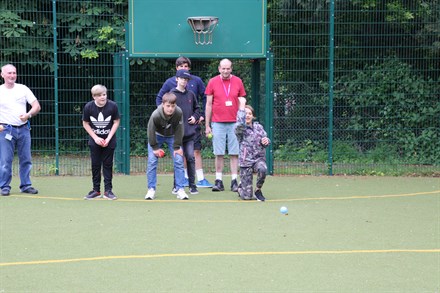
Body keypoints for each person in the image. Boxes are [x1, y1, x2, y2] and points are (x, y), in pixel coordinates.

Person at [156, 56, 213, 188]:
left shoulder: (196, 81)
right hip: (176, 128)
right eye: (181, 66)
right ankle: (184, 179)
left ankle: (201, 179)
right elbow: (160, 99)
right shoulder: (170, 83)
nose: (184, 69)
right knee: (180, 154)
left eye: (186, 66)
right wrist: (165, 116)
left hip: (192, 126)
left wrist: (201, 115)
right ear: (177, 70)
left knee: (195, 152)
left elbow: (205, 98)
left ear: (189, 68)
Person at [205, 59, 246, 192]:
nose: (225, 71)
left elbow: (242, 102)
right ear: (219, 69)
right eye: (223, 68)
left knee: (235, 153)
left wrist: (242, 122)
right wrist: (207, 125)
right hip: (217, 122)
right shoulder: (212, 82)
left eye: (228, 68)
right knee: (219, 153)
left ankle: (234, 181)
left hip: (235, 123)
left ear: (231, 69)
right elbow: (209, 105)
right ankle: (218, 180)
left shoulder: (238, 81)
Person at [0, 64, 41, 196]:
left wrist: (28, 115)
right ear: (2, 75)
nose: (12, 75)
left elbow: (36, 106)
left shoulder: (23, 89)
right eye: (9, 73)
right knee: (6, 160)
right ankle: (4, 186)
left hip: (23, 130)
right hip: (5, 130)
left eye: (14, 73)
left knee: (26, 159)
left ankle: (26, 185)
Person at [145, 92, 189, 200]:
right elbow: (150, 131)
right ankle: (151, 189)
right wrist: (155, 148)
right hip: (156, 136)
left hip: (172, 136)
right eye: (168, 106)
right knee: (152, 161)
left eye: (173, 106)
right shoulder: (156, 115)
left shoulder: (178, 112)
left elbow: (180, 129)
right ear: (163, 104)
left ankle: (180, 189)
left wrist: (177, 146)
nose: (170, 109)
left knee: (179, 160)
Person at [82, 84, 120, 200]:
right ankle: (96, 190)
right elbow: (85, 123)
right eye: (99, 95)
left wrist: (108, 138)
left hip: (109, 141)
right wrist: (95, 138)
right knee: (95, 165)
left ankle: (108, 191)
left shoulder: (112, 106)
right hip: (95, 142)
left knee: (108, 165)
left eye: (104, 95)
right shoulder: (89, 107)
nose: (102, 97)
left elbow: (116, 121)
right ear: (94, 96)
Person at [170, 69, 201, 195]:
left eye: (186, 79)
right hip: (176, 135)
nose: (184, 81)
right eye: (182, 78)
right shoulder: (171, 95)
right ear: (177, 79)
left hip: (189, 134)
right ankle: (176, 185)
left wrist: (195, 117)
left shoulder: (191, 94)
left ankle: (192, 185)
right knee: (178, 160)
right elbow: (166, 111)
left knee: (190, 158)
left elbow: (197, 109)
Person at [234, 97, 270, 201]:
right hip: (246, 163)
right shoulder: (240, 129)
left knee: (263, 169)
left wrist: (266, 141)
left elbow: (265, 139)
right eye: (245, 113)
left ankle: (258, 190)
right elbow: (239, 124)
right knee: (247, 197)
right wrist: (241, 106)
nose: (247, 115)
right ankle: (241, 188)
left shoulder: (259, 127)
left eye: (249, 113)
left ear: (253, 116)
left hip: (258, 159)